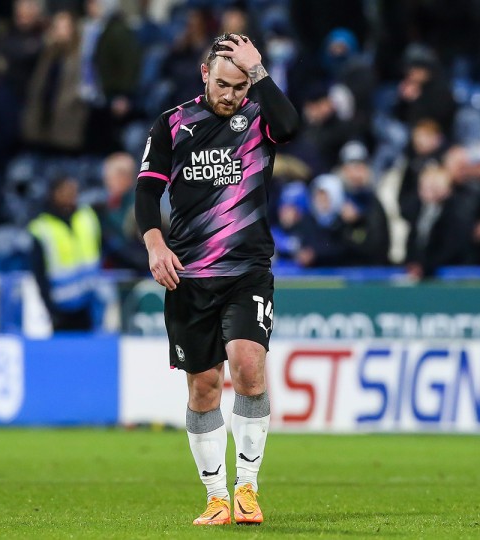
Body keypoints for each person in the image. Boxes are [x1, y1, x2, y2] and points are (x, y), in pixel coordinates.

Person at [134, 33, 299, 526]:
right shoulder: (172, 124)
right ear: (204, 75)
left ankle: (247, 489)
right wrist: (154, 243)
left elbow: (290, 126)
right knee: (204, 387)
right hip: (190, 275)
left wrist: (261, 72)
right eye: (223, 84)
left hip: (247, 270)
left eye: (240, 86)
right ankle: (215, 496)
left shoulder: (259, 119)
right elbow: (147, 190)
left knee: (249, 369)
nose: (230, 96)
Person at [28, 176, 102, 332]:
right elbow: (39, 273)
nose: (71, 195)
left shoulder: (87, 216)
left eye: (74, 191)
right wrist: (50, 308)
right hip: (60, 307)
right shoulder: (41, 227)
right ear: (54, 194)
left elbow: (108, 246)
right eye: (66, 191)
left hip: (90, 303)